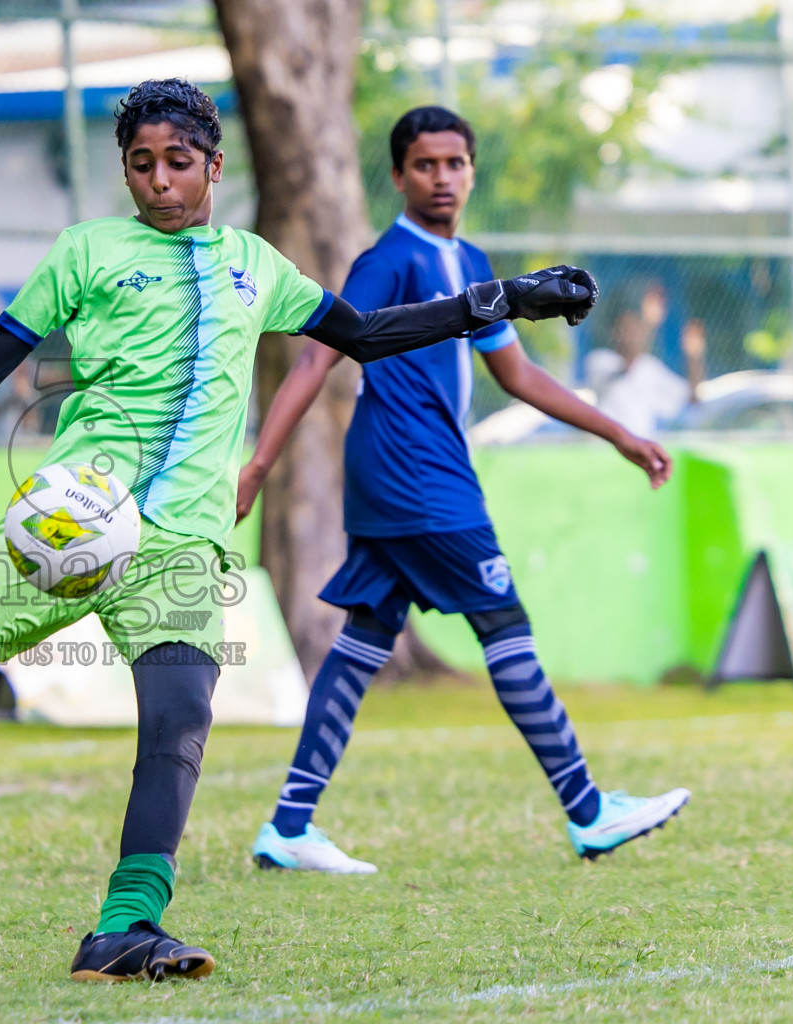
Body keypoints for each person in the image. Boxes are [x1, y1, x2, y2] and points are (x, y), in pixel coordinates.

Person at [0, 81, 596, 981]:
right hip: (71, 521)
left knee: (182, 719)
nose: (158, 183)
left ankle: (124, 927)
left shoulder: (256, 264)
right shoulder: (85, 252)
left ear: (213, 167)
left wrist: (501, 299)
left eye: (178, 164)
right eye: (141, 166)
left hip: (183, 550)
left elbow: (370, 334)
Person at [239, 106, 690, 877]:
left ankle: (289, 824)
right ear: (398, 176)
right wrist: (259, 462)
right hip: (416, 476)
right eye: (425, 165)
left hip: (404, 478)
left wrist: (618, 432)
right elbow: (316, 360)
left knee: (361, 644)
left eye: (455, 164)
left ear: (473, 170)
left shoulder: (474, 261)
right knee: (501, 618)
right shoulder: (389, 258)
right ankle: (587, 811)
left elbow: (518, 375)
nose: (442, 178)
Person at [585, 281, 704, 437]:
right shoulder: (600, 360)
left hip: (639, 446)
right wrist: (650, 324)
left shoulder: (650, 367)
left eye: (635, 327)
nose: (631, 333)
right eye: (626, 327)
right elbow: (628, 367)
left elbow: (691, 398)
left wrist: (694, 358)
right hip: (606, 446)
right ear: (615, 331)